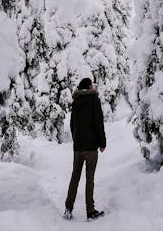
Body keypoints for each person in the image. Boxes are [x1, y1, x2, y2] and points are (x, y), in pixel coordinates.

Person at [64, 77, 106, 221]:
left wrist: (77, 140)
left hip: (78, 147)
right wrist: (102, 142)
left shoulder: (75, 102)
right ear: (89, 86)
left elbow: (72, 124)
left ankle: (68, 208)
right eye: (91, 85)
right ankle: (90, 211)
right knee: (90, 178)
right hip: (91, 147)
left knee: (74, 177)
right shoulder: (94, 100)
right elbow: (98, 122)